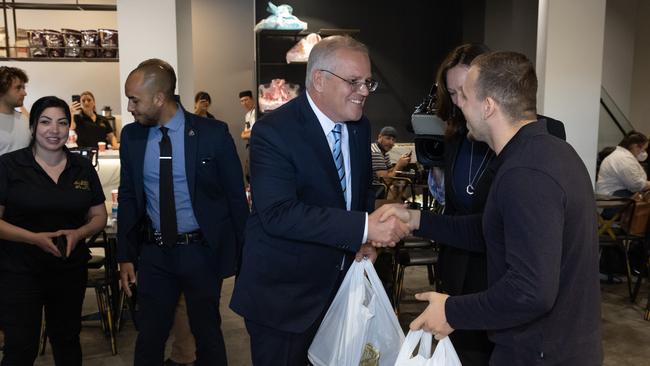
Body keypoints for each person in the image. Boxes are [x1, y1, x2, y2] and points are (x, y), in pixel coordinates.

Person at [381, 51, 602, 365]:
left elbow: (531, 292)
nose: (458, 105)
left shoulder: (525, 173)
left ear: (488, 106)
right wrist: (416, 219)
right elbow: (490, 229)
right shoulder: (548, 152)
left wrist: (452, 311)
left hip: (539, 353)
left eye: (465, 96)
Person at [230, 35, 410, 365]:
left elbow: (360, 192)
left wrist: (363, 239)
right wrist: (365, 227)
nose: (365, 91)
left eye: (368, 81)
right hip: (284, 303)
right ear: (319, 79)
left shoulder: (358, 126)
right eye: (354, 81)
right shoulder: (274, 131)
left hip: (342, 293)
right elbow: (279, 213)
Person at [117, 58, 248, 366]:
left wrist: (245, 257)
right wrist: (125, 253)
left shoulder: (212, 133)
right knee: (149, 336)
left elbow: (235, 199)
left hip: (201, 253)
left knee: (208, 334)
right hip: (155, 254)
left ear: (159, 98)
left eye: (134, 100)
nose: (130, 107)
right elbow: (128, 196)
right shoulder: (132, 137)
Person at [0, 96, 107, 365]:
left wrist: (78, 234)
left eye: (61, 122)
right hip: (19, 270)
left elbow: (98, 216)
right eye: (46, 122)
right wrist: (34, 239)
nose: (54, 130)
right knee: (21, 346)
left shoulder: (81, 166)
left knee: (67, 340)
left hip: (68, 269)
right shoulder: (9, 166)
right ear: (34, 126)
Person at [431, 43, 494, 365]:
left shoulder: (537, 134)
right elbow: (453, 208)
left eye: (464, 91)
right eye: (451, 92)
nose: (457, 102)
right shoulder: (456, 137)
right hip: (458, 274)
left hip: (500, 281)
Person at [596, 131, 650, 197]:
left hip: (616, 194)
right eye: (643, 149)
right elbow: (636, 185)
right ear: (635, 146)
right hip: (614, 197)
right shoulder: (623, 158)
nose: (643, 153)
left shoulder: (623, 156)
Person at [370, 125, 412, 199]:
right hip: (371, 189)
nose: (391, 142)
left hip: (377, 187)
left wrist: (401, 162)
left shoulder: (384, 153)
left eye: (393, 140)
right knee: (395, 188)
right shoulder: (375, 152)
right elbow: (385, 180)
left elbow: (389, 171)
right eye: (388, 138)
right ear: (379, 137)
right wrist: (399, 165)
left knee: (399, 185)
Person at [0, 66, 30, 155]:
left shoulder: (24, 119)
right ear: (1, 90)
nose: (24, 93)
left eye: (24, 88)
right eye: (18, 88)